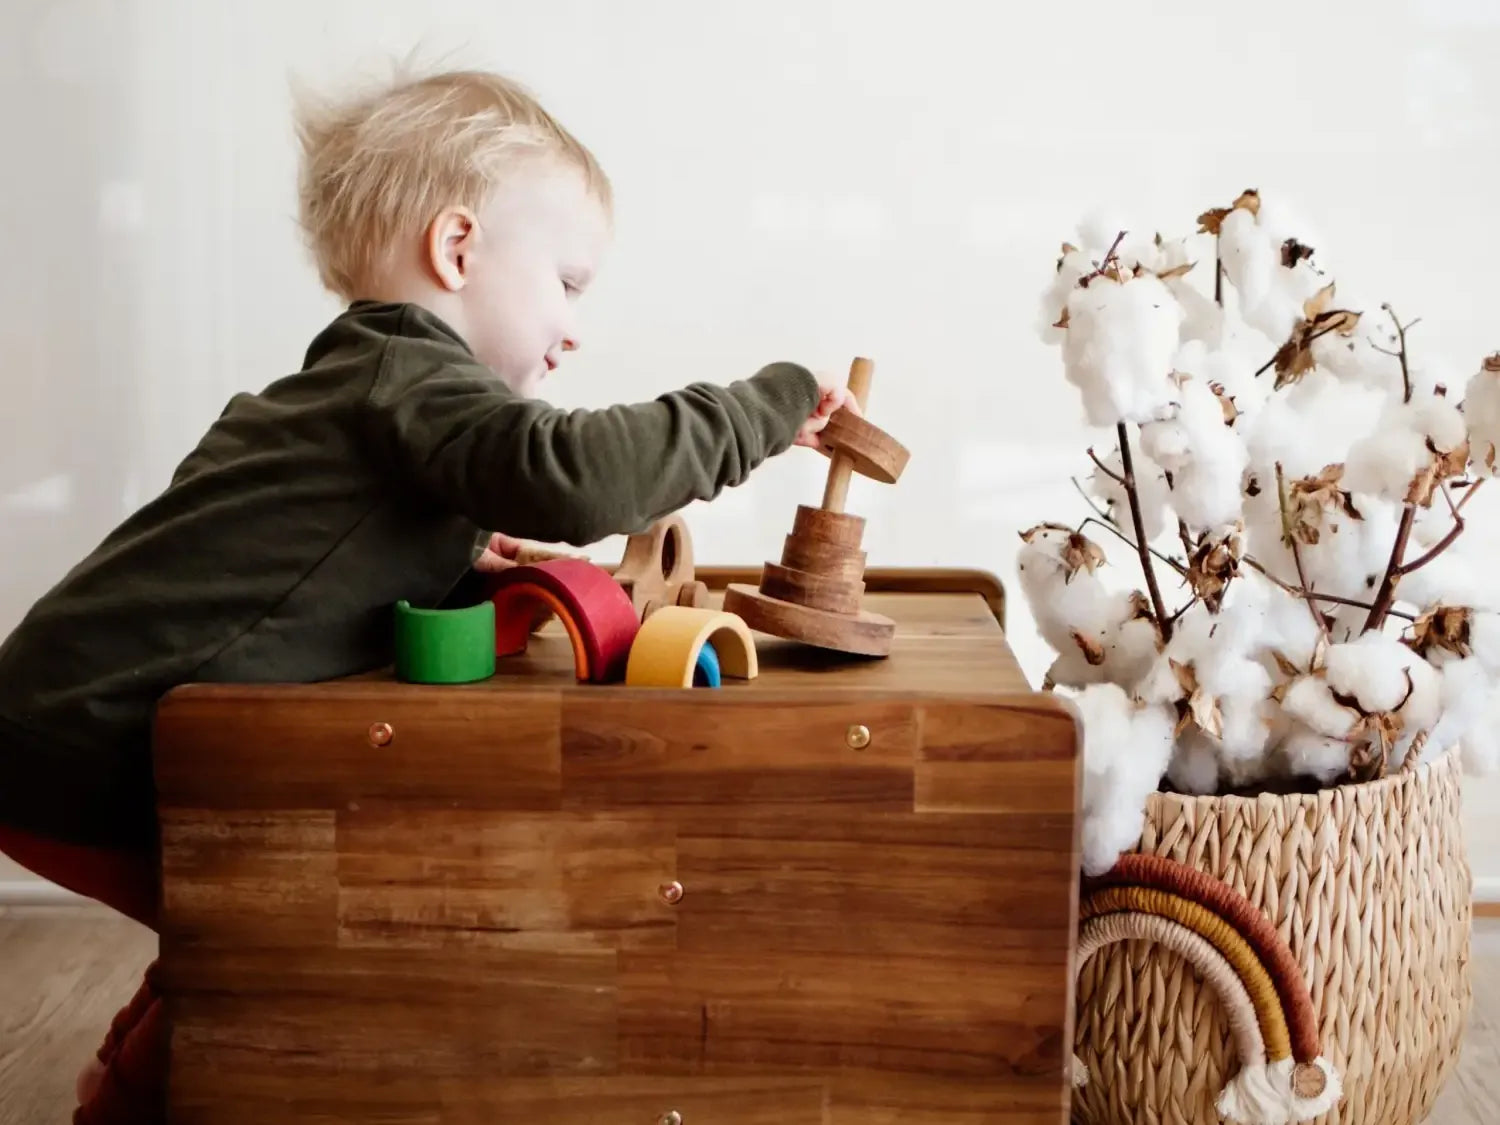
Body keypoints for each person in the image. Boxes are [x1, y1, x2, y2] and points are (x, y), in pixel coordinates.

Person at [0, 66, 856, 1123]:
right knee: (280, 935)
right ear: (457, 251)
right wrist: (764, 406)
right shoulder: (412, 385)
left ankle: (129, 1069)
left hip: (54, 717)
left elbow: (281, 570)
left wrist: (454, 562)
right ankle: (130, 1100)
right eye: (570, 282)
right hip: (85, 744)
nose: (576, 325)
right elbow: (577, 472)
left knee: (240, 924)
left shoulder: (356, 397)